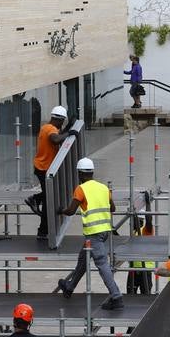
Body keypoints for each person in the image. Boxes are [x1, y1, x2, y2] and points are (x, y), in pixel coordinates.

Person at [57, 157, 124, 310]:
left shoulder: (81, 189)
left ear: (80, 174)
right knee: (83, 258)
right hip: (104, 231)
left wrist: (60, 210)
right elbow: (112, 209)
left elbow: (71, 210)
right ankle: (70, 286)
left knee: (102, 264)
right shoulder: (103, 188)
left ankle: (116, 296)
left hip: (94, 233)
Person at [25, 106, 70, 239]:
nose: (62, 125)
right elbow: (55, 139)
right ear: (59, 119)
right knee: (48, 200)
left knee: (48, 197)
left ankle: (35, 199)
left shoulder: (48, 128)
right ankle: (42, 231)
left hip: (44, 168)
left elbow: (56, 137)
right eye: (62, 122)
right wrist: (69, 134)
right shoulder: (50, 129)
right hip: (44, 168)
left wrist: (66, 132)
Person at [127, 190, 154, 295]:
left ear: (140, 221)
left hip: (145, 270)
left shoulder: (146, 231)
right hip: (133, 269)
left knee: (145, 297)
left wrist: (147, 203)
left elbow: (149, 220)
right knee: (129, 295)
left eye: (134, 220)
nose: (132, 222)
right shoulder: (133, 232)